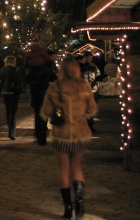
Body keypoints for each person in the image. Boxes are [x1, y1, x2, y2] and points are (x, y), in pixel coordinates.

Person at [41, 56, 97, 220]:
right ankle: (79, 202)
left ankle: (67, 207)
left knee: (63, 169)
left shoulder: (55, 87)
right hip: (79, 133)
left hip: (61, 134)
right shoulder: (84, 86)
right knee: (77, 167)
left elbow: (45, 112)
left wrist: (58, 111)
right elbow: (91, 109)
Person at [25, 42, 57, 145]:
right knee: (44, 115)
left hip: (34, 93)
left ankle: (38, 135)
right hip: (45, 93)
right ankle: (42, 138)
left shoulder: (30, 69)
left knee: (37, 114)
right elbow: (54, 79)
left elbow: (26, 79)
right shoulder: (47, 68)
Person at [0, 55, 23, 140]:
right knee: (13, 112)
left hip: (4, 92)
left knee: (8, 111)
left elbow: (1, 81)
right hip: (13, 93)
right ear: (13, 61)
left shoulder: (2, 70)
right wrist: (19, 89)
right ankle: (11, 133)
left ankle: (9, 128)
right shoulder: (15, 70)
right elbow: (19, 81)